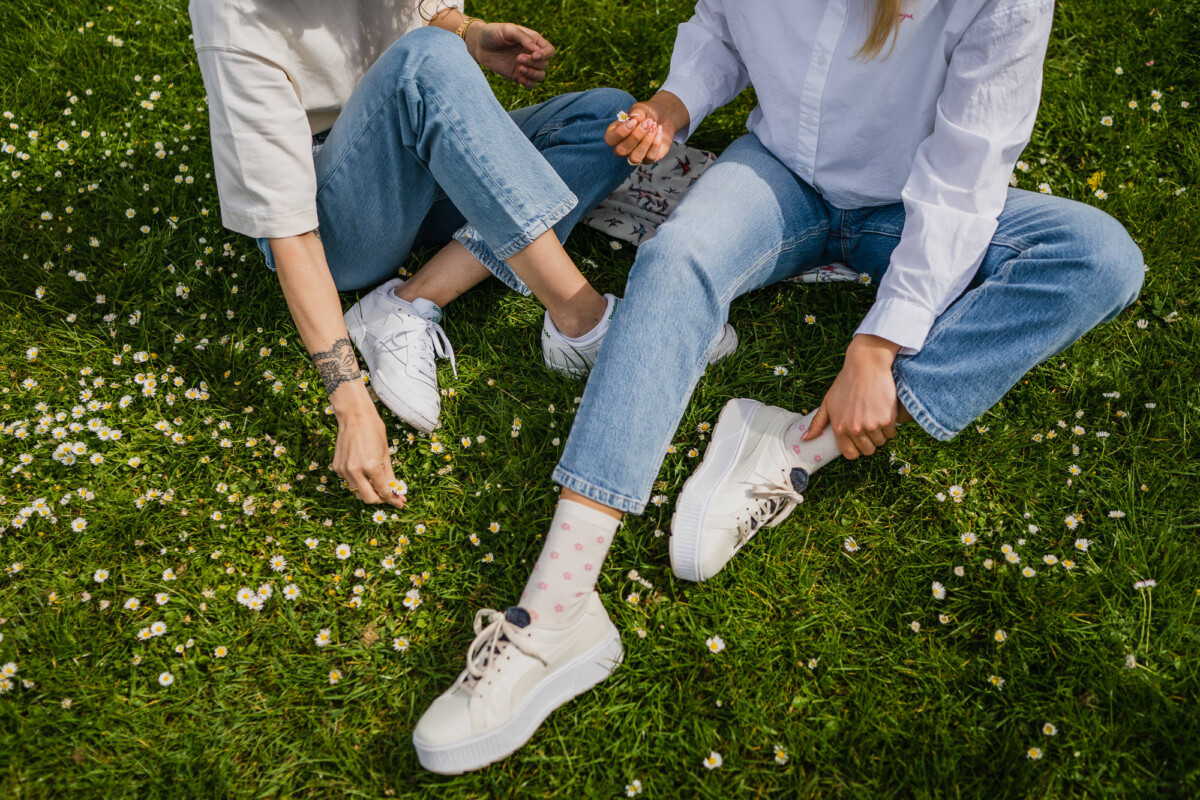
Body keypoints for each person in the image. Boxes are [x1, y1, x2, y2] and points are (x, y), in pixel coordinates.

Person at [410, 0, 1145, 774]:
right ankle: (558, 609)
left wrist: (878, 344)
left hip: (911, 205)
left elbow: (965, 182)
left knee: (1099, 256)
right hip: (778, 176)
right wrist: (670, 105)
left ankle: (794, 446)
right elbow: (722, 30)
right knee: (675, 259)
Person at [189, 1, 738, 509]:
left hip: (414, 145)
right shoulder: (234, 18)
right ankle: (583, 320)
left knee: (606, 121)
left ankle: (410, 299)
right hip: (336, 216)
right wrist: (352, 405)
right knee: (422, 60)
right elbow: (292, 235)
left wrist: (470, 34)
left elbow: (411, 16)